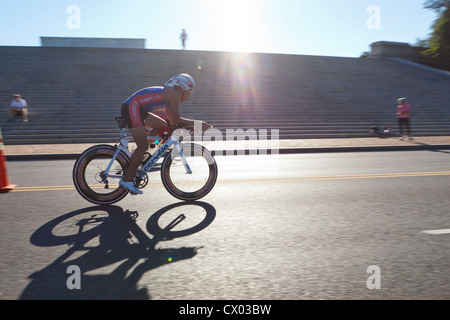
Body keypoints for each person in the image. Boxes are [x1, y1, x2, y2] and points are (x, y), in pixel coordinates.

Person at [119, 73, 209, 195]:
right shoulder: (173, 94)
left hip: (137, 108)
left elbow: (172, 122)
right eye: (191, 90)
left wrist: (190, 127)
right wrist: (198, 124)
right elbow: (177, 121)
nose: (191, 93)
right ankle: (127, 180)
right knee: (142, 146)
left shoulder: (171, 95)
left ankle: (141, 155)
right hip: (132, 107)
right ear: (184, 87)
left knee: (163, 125)